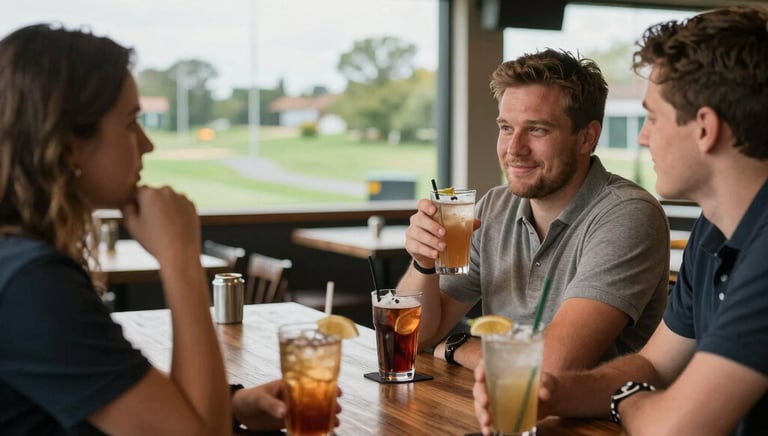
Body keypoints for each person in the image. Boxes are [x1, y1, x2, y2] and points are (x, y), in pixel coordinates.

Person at [0, 23, 335, 435]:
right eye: (130, 123)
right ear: (69, 146)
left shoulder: (19, 264)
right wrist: (180, 258)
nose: (147, 144)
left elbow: (115, 399)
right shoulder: (31, 284)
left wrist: (231, 405)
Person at [472, 6, 768, 435]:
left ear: (705, 128)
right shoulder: (713, 230)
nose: (643, 137)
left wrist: (624, 398)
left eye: (652, 117)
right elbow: (654, 366)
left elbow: (671, 428)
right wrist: (555, 392)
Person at [398, 48, 670, 372]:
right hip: (498, 400)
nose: (514, 149)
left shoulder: (627, 215)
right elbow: (412, 337)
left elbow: (553, 365)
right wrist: (424, 263)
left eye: (537, 129)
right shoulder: (495, 207)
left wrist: (459, 345)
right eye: (506, 128)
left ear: (587, 138)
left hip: (594, 407)